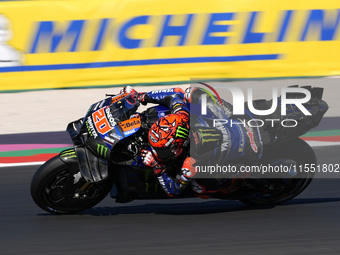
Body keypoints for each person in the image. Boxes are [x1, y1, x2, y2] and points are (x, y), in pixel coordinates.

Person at [119, 85, 263, 197]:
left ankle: (235, 182)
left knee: (199, 188)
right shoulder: (181, 115)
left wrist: (157, 166)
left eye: (162, 150)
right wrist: (141, 97)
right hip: (240, 120)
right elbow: (174, 94)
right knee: (189, 92)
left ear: (177, 147)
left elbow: (173, 190)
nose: (157, 153)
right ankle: (230, 110)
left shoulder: (191, 162)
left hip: (252, 150)